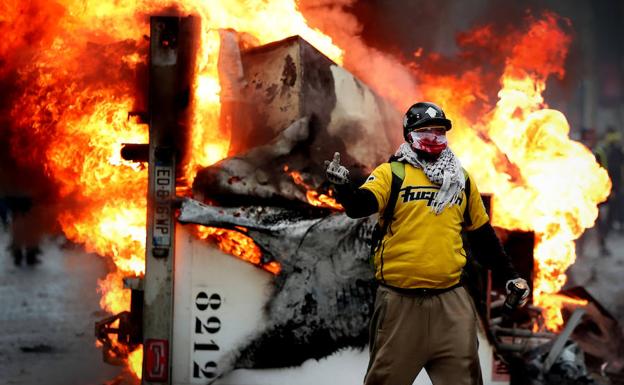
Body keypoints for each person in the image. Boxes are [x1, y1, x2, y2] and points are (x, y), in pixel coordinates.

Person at [324, 102, 529, 385]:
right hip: (401, 304)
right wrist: (343, 186)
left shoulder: (462, 180)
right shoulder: (391, 174)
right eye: (425, 133)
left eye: (439, 132)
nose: (433, 139)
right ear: (409, 136)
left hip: (451, 304)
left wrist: (511, 277)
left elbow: (483, 237)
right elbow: (360, 206)